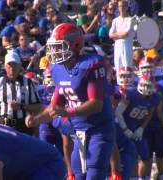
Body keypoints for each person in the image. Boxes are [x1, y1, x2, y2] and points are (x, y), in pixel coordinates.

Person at [26, 23, 115, 180]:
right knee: (78, 174)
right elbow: (55, 106)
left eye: (59, 47)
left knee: (94, 173)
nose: (54, 52)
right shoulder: (56, 69)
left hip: (98, 129)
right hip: (79, 132)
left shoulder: (91, 64)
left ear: (76, 45)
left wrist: (68, 112)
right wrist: (37, 119)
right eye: (54, 47)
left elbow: (96, 103)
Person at [115, 74, 160, 179]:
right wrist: (125, 129)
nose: (145, 88)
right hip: (123, 127)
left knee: (145, 155)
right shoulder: (131, 93)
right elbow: (118, 112)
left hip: (137, 128)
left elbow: (149, 114)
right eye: (143, 85)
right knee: (129, 155)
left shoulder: (155, 98)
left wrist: (142, 128)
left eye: (148, 86)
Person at [0, 50, 41, 135]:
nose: (12, 68)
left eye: (14, 65)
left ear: (20, 66)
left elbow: (38, 107)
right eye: (9, 65)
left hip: (24, 125)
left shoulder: (28, 82)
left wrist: (21, 106)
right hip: (5, 125)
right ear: (5, 66)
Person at [109, 0, 135, 73]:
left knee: (127, 65)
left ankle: (128, 83)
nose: (121, 8)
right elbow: (110, 34)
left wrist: (116, 35)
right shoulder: (115, 20)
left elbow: (126, 33)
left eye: (123, 6)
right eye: (120, 6)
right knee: (118, 65)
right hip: (117, 45)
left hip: (126, 45)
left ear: (126, 7)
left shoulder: (130, 19)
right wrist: (120, 35)